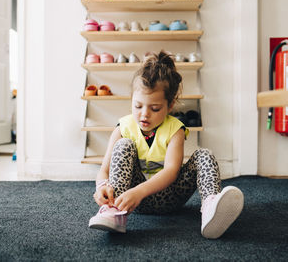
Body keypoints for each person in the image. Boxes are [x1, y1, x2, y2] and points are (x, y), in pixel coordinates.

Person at [89, 50, 244, 239]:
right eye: (138, 106)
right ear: (131, 100)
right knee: (123, 145)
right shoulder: (123, 127)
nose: (144, 114)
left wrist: (139, 192)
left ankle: (211, 208)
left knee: (204, 155)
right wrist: (102, 188)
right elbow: (103, 170)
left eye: (154, 108)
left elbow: (171, 171)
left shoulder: (175, 129)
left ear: (170, 106)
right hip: (129, 201)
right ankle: (113, 213)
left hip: (168, 197)